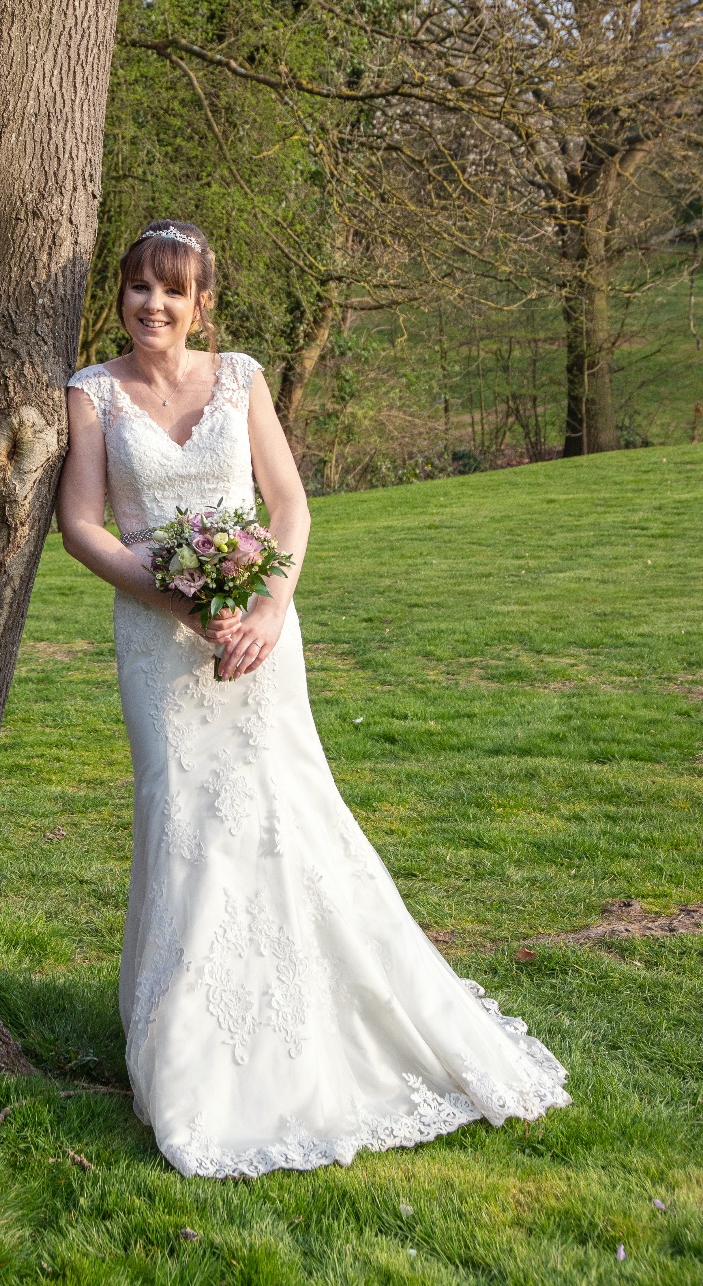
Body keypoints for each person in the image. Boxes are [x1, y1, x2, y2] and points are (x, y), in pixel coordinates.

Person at [58, 219, 569, 1178]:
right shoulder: (92, 394)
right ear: (120, 295)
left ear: (201, 304)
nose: (153, 305)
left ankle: (313, 1011)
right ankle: (193, 1046)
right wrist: (172, 595)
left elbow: (288, 504)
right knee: (183, 818)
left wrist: (267, 608)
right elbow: (82, 526)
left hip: (260, 632)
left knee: (282, 814)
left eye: (173, 291)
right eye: (138, 288)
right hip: (156, 636)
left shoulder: (240, 378)